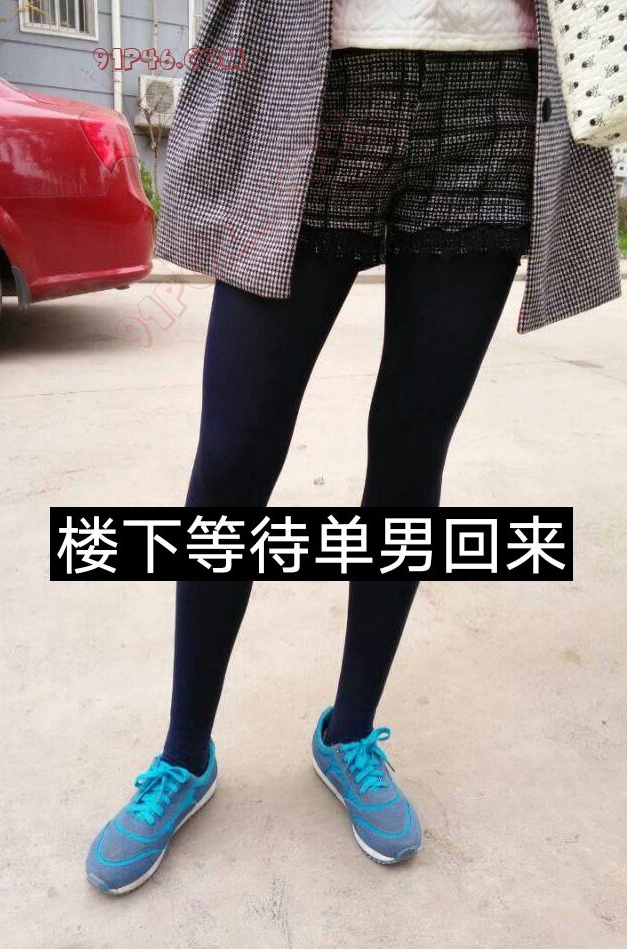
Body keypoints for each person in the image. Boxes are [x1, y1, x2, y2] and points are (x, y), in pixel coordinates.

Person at [86, 0, 621, 894]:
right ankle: (183, 753)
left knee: (413, 451)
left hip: (494, 93)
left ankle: (350, 731)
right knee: (233, 454)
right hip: (319, 77)